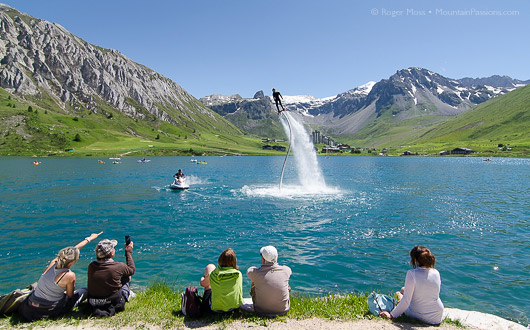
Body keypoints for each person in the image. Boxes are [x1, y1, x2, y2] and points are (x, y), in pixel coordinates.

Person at [18, 232, 103, 321]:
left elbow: (73, 250)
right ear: (72, 262)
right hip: (47, 310)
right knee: (85, 291)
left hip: (30, 306)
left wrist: (89, 239)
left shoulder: (53, 263)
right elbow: (70, 296)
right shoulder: (69, 275)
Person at [380, 245, 444, 325]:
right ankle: (400, 295)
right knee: (404, 289)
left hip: (420, 314)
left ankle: (399, 296)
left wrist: (391, 315)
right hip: (437, 316)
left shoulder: (412, 274)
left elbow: (406, 301)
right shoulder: (436, 272)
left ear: (415, 260)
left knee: (400, 294)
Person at [87, 237, 135, 317]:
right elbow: (132, 270)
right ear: (112, 253)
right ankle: (128, 293)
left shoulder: (91, 266)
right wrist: (128, 252)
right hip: (112, 302)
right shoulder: (119, 266)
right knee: (127, 275)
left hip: (94, 302)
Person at [246, 245, 292, 316]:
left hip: (261, 311)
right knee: (286, 285)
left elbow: (249, 271)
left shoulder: (256, 273)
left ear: (263, 259)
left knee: (254, 282)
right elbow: (288, 271)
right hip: (283, 310)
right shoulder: (286, 270)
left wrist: (255, 268)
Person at [200, 248, 243, 313]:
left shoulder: (213, 274)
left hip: (214, 309)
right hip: (233, 308)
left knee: (210, 268)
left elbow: (203, 284)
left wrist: (203, 278)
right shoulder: (238, 274)